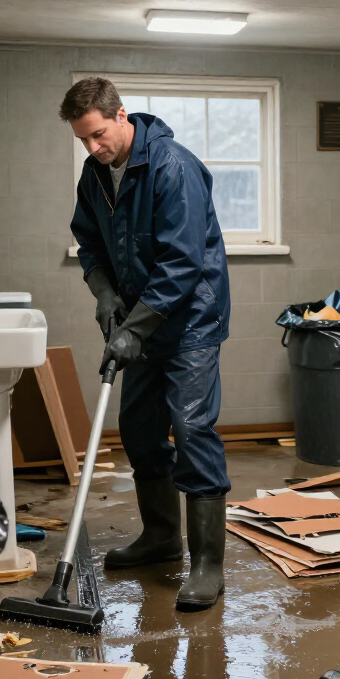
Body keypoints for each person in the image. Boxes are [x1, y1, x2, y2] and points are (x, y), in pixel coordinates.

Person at [63, 77, 231, 611]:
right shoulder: (95, 176)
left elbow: (182, 262)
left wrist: (134, 327)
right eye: (83, 140)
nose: (92, 148)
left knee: (191, 427)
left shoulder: (171, 167)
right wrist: (104, 293)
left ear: (120, 115)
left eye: (97, 135)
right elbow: (88, 243)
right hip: (141, 317)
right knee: (138, 430)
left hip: (189, 323)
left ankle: (207, 564)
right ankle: (162, 537)